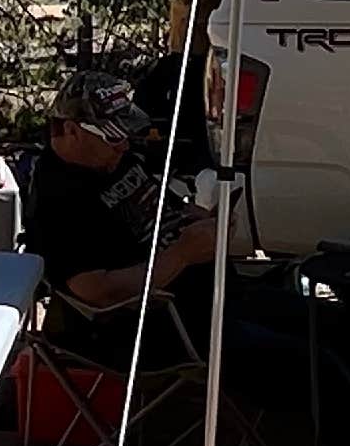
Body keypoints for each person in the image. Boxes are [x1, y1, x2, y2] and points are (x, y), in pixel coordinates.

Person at [28, 69, 214, 327]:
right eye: (114, 136)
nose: (124, 145)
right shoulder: (60, 197)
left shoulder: (114, 160)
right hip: (160, 324)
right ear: (72, 131)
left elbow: (165, 205)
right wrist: (182, 254)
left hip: (211, 293)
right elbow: (97, 291)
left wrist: (199, 219)